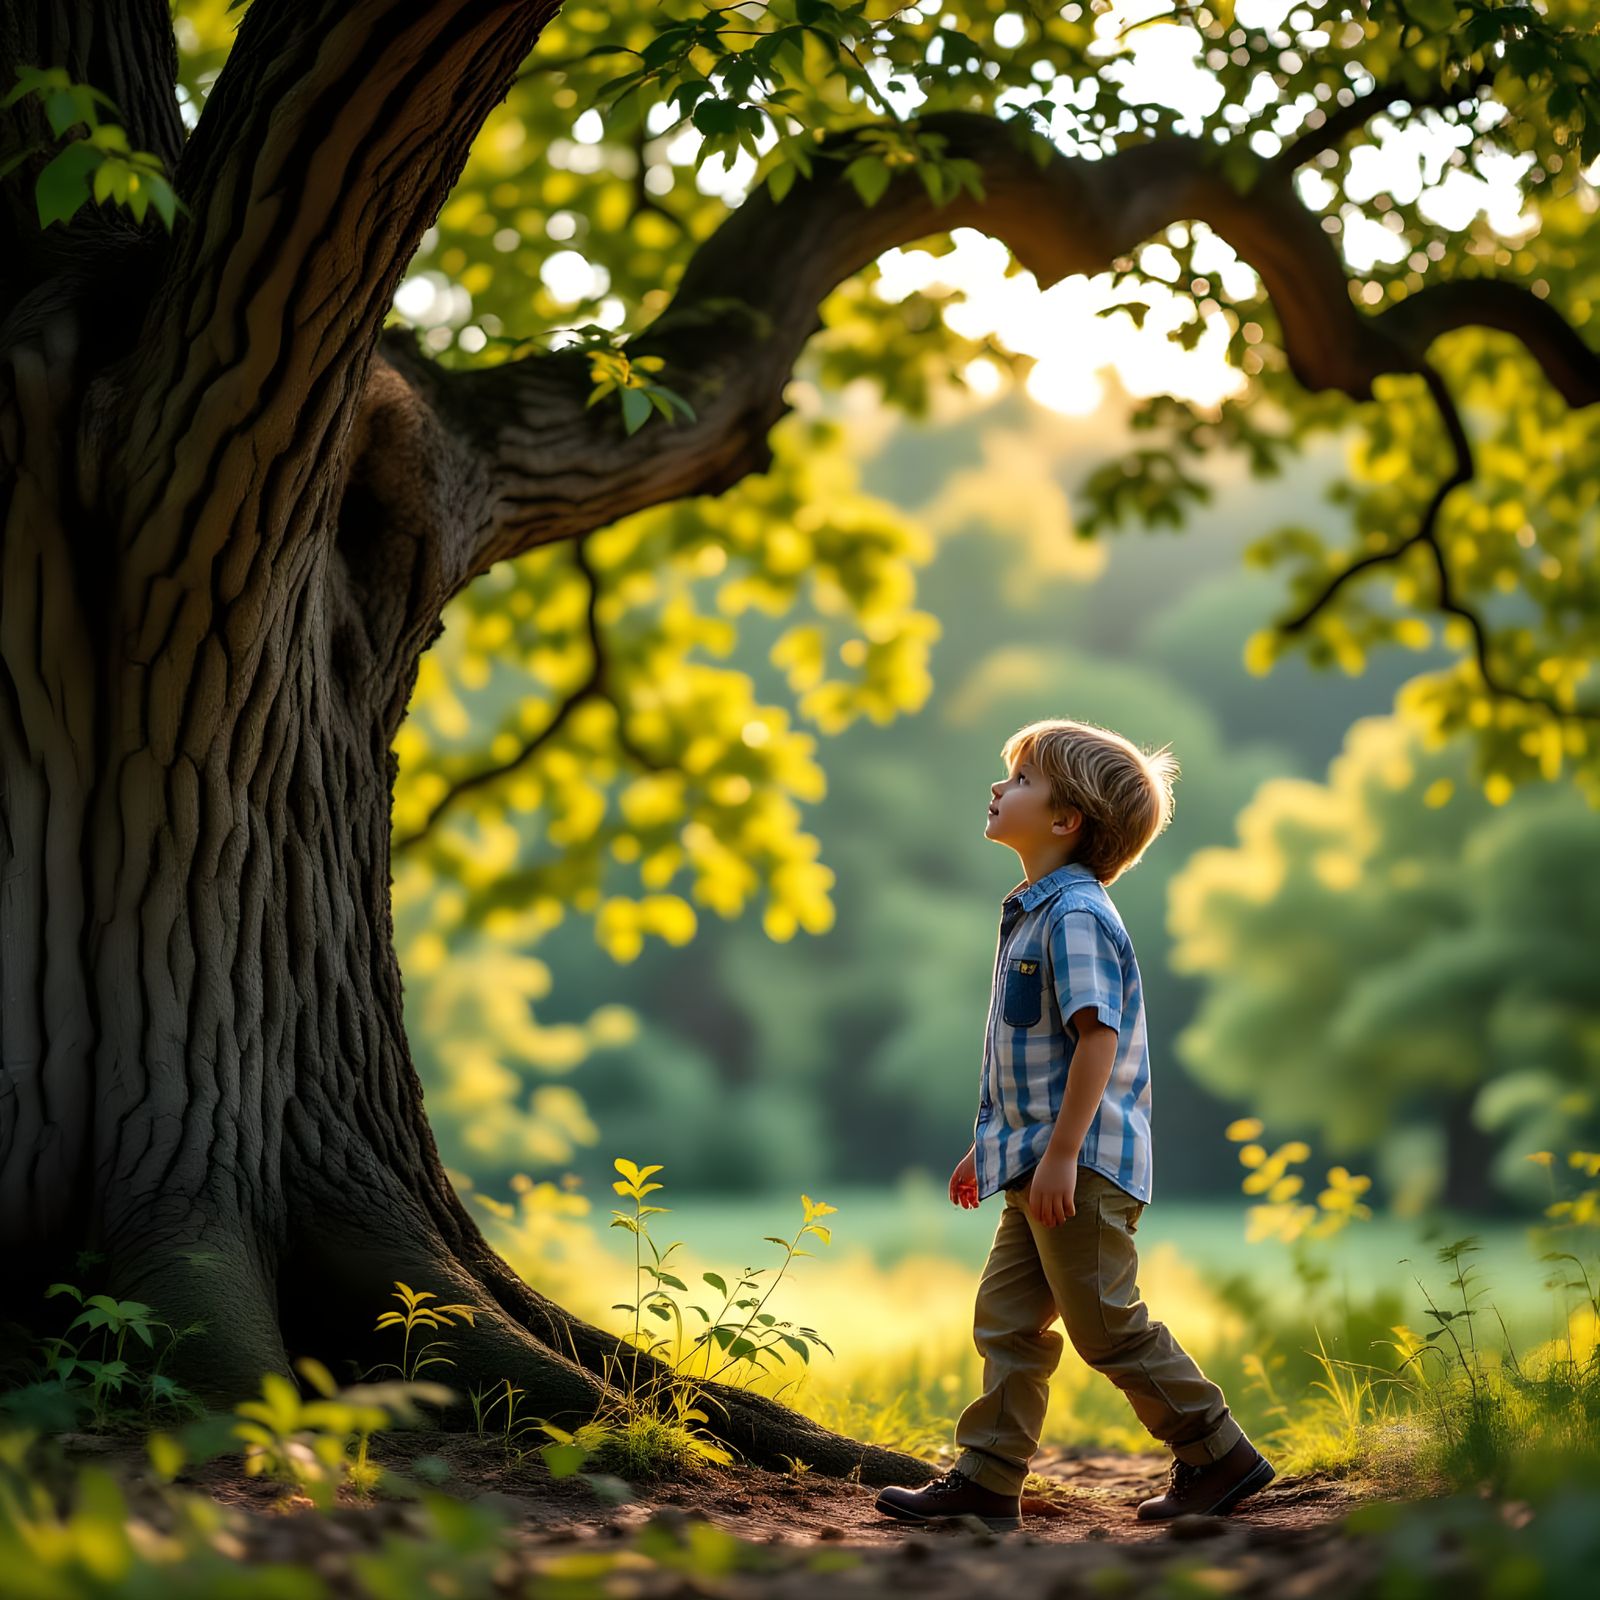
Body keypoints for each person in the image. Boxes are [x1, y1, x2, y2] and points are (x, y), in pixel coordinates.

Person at [874, 717, 1274, 1532]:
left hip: (1078, 1167)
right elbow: (1039, 1060)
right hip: (1037, 1162)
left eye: (1019, 780)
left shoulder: (1077, 914)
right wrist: (991, 1153)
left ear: (1066, 821)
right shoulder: (1034, 912)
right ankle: (988, 1480)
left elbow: (1098, 1037)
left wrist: (1060, 1156)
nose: (998, 788)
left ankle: (1216, 1450)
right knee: (1008, 1321)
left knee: (1106, 1326)